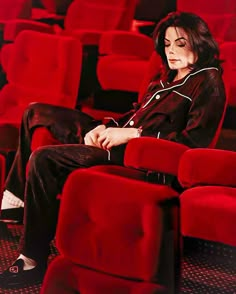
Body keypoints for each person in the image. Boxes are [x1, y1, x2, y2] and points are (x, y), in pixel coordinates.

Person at [0, 11, 226, 288]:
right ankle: (15, 200)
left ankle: (31, 258)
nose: (171, 51)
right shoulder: (165, 77)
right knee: (36, 112)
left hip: (140, 159)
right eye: (167, 45)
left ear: (199, 42)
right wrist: (105, 126)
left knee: (44, 158)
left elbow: (193, 144)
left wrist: (135, 134)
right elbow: (133, 115)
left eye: (180, 43)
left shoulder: (209, 82)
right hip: (119, 139)